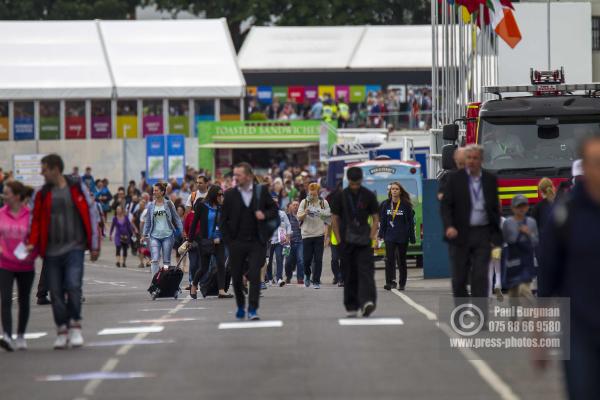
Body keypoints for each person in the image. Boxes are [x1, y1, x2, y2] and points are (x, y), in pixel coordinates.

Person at [538, 133, 600, 399]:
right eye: (597, 162)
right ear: (584, 167)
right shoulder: (565, 215)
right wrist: (539, 334)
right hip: (579, 330)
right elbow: (547, 277)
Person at [27, 154, 100, 349]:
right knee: (56, 292)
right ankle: (61, 329)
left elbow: (91, 214)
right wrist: (31, 244)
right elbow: (33, 221)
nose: (42, 174)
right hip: (51, 251)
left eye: (44, 170)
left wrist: (94, 244)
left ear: (55, 169)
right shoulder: (41, 193)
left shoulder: (76, 187)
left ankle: (75, 326)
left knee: (73, 285)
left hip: (74, 248)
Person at [440, 145, 502, 307]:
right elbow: (446, 206)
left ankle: (480, 314)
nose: (472, 161)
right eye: (469, 158)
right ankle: (460, 310)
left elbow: (495, 208)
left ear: (481, 160)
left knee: (480, 276)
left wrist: (495, 235)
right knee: (459, 277)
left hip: (482, 233)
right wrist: (449, 226)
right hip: (460, 233)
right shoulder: (455, 179)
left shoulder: (490, 180)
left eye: (475, 158)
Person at [220, 162, 279, 320]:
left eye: (238, 175)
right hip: (236, 242)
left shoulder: (261, 192)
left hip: (256, 241)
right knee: (237, 277)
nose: (235, 178)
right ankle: (240, 305)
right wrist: (228, 241)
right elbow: (223, 220)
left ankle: (252, 309)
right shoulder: (230, 194)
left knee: (253, 275)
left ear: (248, 176)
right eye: (235, 175)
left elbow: (274, 210)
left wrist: (264, 215)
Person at [331, 167, 380, 317]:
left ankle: (367, 302)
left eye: (357, 184)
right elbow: (334, 219)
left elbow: (376, 218)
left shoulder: (368, 195)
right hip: (346, 242)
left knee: (366, 272)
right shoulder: (340, 196)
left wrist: (372, 238)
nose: (355, 187)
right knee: (349, 273)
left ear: (360, 180)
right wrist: (338, 241)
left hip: (364, 242)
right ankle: (351, 305)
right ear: (349, 180)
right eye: (353, 184)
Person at [0, 181, 36, 351]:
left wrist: (31, 250)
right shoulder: (1, 213)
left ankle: (21, 335)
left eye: (6, 193)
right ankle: (7, 335)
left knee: (24, 300)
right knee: (5, 299)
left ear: (16, 196)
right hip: (4, 263)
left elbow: (36, 239)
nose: (4, 196)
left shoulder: (29, 215)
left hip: (25, 265)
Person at [189, 185, 233, 299]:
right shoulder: (202, 206)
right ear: (213, 194)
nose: (221, 196)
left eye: (222, 194)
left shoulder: (221, 207)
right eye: (219, 194)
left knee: (220, 265)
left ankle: (221, 290)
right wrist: (190, 240)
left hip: (219, 240)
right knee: (204, 267)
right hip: (205, 241)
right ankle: (194, 285)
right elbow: (194, 223)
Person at [378, 182, 416, 291]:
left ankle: (402, 283)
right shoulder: (385, 204)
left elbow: (410, 222)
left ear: (400, 191)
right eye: (392, 189)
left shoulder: (406, 205)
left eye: (396, 189)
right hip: (389, 236)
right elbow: (383, 221)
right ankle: (389, 282)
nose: (394, 191)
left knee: (401, 260)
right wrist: (381, 234)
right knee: (389, 260)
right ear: (390, 191)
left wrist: (412, 237)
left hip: (402, 236)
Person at [143, 183, 183, 277]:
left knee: (166, 261)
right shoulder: (151, 205)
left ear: (162, 192)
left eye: (156, 190)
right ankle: (155, 281)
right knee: (155, 259)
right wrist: (144, 234)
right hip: (154, 236)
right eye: (153, 190)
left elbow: (176, 218)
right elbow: (148, 221)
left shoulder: (169, 204)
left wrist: (182, 231)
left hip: (168, 236)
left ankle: (165, 281)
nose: (154, 192)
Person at [502, 194, 538, 301]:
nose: (521, 209)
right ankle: (513, 317)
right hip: (513, 261)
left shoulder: (531, 222)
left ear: (527, 207)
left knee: (524, 289)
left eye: (524, 206)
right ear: (513, 208)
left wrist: (529, 234)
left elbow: (536, 241)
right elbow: (504, 240)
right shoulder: (507, 223)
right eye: (518, 206)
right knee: (513, 294)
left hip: (526, 261)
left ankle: (530, 315)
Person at [297, 182, 331, 289]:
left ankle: (316, 281)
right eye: (310, 193)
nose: (312, 195)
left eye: (314, 193)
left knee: (318, 259)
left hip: (319, 234)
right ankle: (307, 274)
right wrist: (305, 212)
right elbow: (299, 217)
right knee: (306, 260)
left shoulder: (323, 202)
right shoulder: (304, 202)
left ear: (318, 192)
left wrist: (319, 212)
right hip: (307, 235)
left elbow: (328, 216)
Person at [266, 196, 291, 287]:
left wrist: (288, 236)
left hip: (280, 240)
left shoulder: (282, 214)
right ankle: (269, 278)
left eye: (276, 202)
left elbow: (288, 225)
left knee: (279, 258)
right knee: (268, 261)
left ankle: (279, 278)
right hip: (268, 241)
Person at [284, 201, 304, 285]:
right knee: (288, 261)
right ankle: (288, 276)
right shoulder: (287, 217)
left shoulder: (302, 216)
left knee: (300, 260)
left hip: (300, 242)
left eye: (297, 205)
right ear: (290, 207)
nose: (295, 206)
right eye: (294, 205)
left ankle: (300, 278)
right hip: (288, 243)